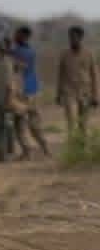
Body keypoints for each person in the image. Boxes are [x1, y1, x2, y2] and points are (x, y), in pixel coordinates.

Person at [9, 27, 50, 159]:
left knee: (20, 121)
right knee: (35, 122)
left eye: (17, 34)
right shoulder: (31, 51)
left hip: (22, 90)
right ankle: (45, 148)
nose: (14, 36)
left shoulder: (17, 52)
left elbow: (15, 66)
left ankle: (27, 151)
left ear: (23, 36)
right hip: (33, 88)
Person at [56, 25, 99, 136]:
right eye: (70, 37)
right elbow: (61, 75)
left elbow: (94, 76)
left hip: (85, 93)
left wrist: (95, 96)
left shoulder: (89, 54)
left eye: (74, 37)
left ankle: (81, 150)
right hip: (69, 93)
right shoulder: (64, 54)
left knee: (83, 124)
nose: (72, 40)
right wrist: (58, 94)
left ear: (80, 38)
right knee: (71, 121)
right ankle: (72, 147)